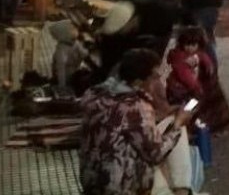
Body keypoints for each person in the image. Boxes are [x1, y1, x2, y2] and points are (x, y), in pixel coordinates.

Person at [79, 48, 191, 195]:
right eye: (154, 77)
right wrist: (178, 124)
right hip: (120, 188)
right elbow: (156, 154)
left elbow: (119, 124)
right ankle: (182, 189)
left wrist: (158, 118)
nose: (158, 81)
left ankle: (176, 189)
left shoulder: (93, 93)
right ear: (139, 82)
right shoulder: (135, 106)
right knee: (177, 128)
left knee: (169, 122)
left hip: (92, 182)